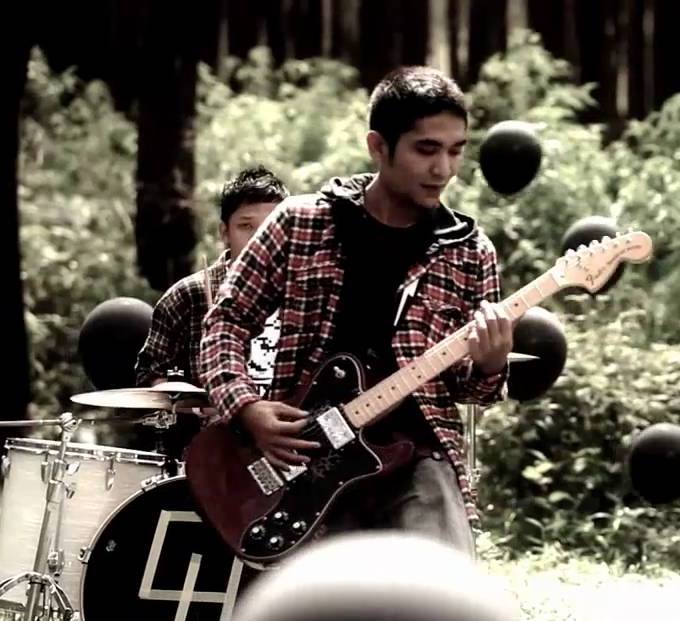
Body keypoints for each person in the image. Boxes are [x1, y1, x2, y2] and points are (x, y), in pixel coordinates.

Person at [198, 65, 511, 559]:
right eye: (426, 149)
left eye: (456, 150)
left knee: (443, 595)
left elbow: (470, 389)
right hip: (311, 458)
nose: (444, 169)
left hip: (417, 458)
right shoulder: (301, 223)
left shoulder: (470, 252)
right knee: (321, 606)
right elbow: (226, 321)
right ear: (378, 146)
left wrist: (492, 363)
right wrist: (246, 406)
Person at [134, 166, 289, 392]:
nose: (259, 238)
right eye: (246, 226)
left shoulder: (306, 294)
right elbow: (152, 371)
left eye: (271, 226)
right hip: (210, 415)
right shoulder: (187, 295)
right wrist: (180, 393)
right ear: (225, 233)